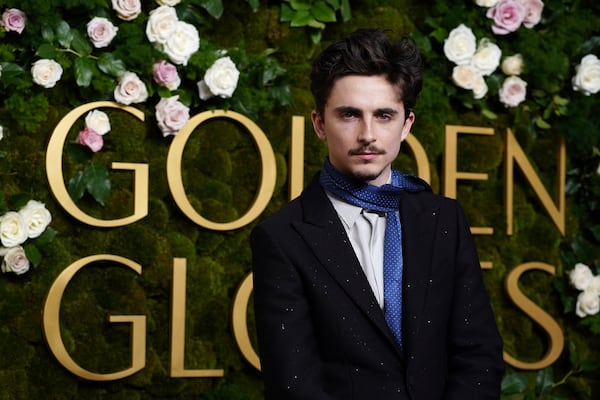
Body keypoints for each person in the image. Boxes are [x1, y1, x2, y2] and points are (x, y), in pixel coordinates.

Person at [250, 28, 504, 400]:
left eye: (384, 115)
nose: (368, 134)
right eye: (350, 115)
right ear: (320, 123)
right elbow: (295, 386)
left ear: (406, 125)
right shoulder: (282, 238)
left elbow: (478, 355)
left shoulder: (443, 220)